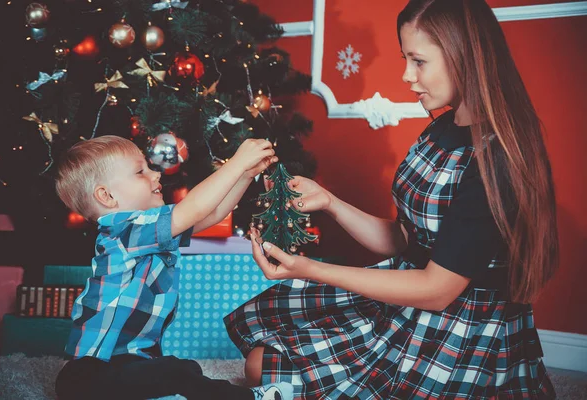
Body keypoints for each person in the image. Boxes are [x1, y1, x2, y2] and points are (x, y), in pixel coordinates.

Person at [224, 0, 559, 398]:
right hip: (405, 299)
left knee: (272, 372)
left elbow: (437, 289)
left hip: (461, 326)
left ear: (465, 56)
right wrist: (329, 201)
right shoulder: (441, 129)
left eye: (419, 61)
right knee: (262, 362)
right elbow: (404, 239)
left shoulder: (495, 159)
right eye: (406, 59)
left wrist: (308, 268)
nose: (406, 76)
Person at [54, 135, 294, 400]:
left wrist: (246, 174)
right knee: (173, 372)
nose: (155, 174)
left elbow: (211, 215)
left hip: (131, 363)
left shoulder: (152, 230)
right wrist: (236, 163)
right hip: (89, 372)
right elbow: (194, 208)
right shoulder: (123, 231)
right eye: (140, 172)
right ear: (106, 196)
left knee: (180, 370)